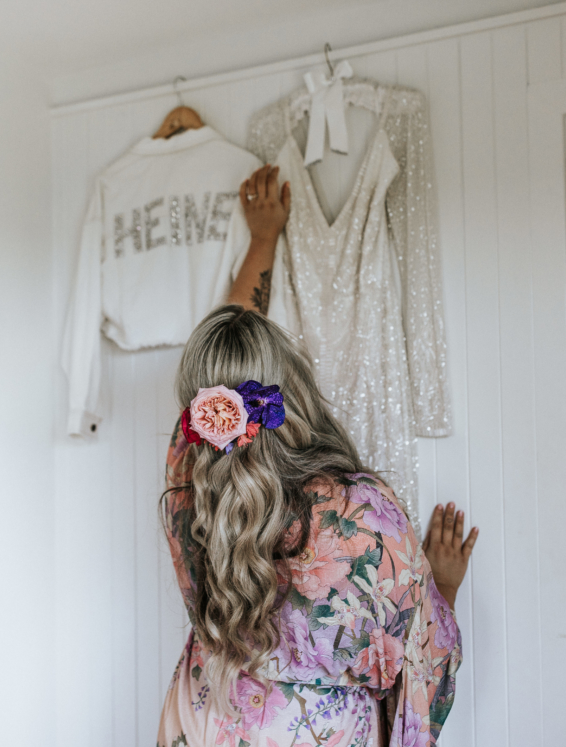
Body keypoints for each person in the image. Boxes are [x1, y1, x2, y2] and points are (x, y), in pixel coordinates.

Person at [157, 165, 478, 747]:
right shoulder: (363, 518)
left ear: (202, 405)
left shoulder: (190, 472)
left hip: (200, 720)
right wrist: (440, 585)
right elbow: (423, 665)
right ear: (295, 387)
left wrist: (262, 240)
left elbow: (228, 362)